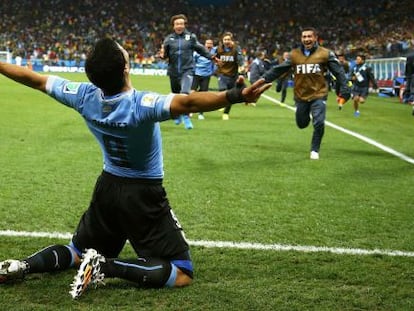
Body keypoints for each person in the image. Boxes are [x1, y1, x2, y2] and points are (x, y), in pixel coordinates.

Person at [0, 38, 271, 299]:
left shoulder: (82, 96)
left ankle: (23, 266)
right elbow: (189, 102)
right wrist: (235, 95)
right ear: (126, 67)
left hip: (107, 188)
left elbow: (33, 79)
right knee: (181, 271)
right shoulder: (142, 105)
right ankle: (105, 267)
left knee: (76, 251)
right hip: (142, 194)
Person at [262, 27, 351, 160]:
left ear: (315, 38)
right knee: (302, 124)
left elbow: (339, 73)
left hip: (318, 94)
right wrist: (262, 80)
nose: (307, 39)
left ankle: (315, 150)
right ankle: (307, 116)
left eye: (309, 36)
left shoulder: (326, 54)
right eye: (304, 37)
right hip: (301, 96)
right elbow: (278, 70)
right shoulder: (294, 55)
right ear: (301, 39)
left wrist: (344, 90)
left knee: (319, 122)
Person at [160, 14, 214, 129]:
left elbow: (200, 49)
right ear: (173, 26)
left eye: (181, 23)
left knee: (185, 93)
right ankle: (177, 115)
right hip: (173, 71)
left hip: (187, 70)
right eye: (177, 24)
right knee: (175, 95)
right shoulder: (169, 39)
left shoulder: (191, 37)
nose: (179, 26)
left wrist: (211, 57)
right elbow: (164, 54)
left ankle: (186, 117)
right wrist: (162, 55)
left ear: (184, 25)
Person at [214, 32, 245, 120]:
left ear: (232, 40)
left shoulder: (236, 49)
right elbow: (213, 57)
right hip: (222, 74)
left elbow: (240, 60)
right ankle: (221, 104)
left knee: (231, 95)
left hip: (233, 75)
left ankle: (226, 113)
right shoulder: (218, 49)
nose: (227, 41)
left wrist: (241, 71)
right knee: (222, 90)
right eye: (225, 39)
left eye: (228, 39)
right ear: (222, 41)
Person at [191, 38, 216, 120]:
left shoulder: (214, 53)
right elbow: (193, 62)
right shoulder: (198, 52)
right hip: (197, 74)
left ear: (212, 45)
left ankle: (200, 113)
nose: (209, 45)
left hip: (206, 76)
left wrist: (212, 72)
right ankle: (190, 110)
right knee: (192, 93)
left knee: (203, 95)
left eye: (210, 43)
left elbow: (214, 64)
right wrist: (193, 71)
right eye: (207, 43)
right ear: (205, 44)